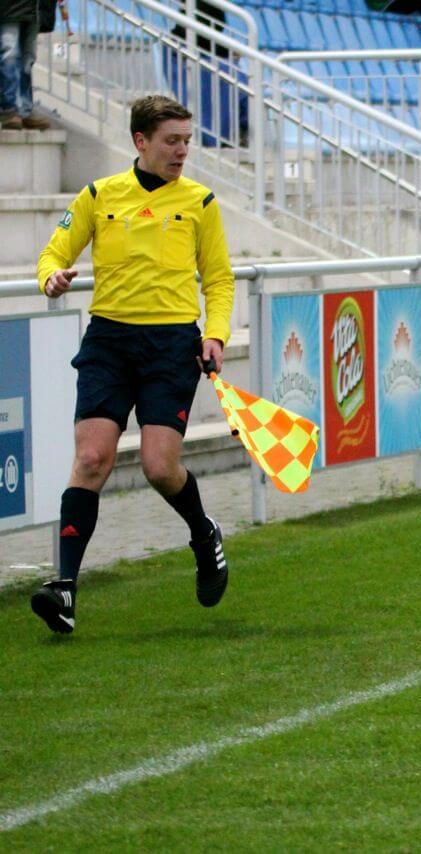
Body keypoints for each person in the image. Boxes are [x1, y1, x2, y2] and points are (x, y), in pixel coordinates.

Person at [30, 95, 234, 634]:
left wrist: (215, 334)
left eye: (188, 140)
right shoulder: (99, 195)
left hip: (171, 347)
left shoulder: (201, 202)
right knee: (92, 459)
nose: (183, 150)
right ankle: (66, 589)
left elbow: (218, 279)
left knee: (158, 467)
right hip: (109, 342)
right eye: (172, 140)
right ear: (141, 142)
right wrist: (50, 277)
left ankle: (203, 532)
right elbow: (53, 254)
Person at [0, 0, 51, 129]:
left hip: (35, 8)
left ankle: (24, 109)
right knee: (9, 54)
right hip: (8, 8)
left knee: (27, 58)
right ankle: (9, 108)